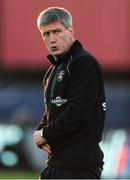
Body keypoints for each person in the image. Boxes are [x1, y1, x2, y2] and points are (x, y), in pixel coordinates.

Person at [33, 7, 106, 179]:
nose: (52, 39)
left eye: (57, 31)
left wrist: (45, 134)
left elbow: (78, 112)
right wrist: (41, 130)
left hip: (79, 168)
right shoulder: (51, 72)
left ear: (70, 31)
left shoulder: (84, 63)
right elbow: (51, 111)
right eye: (46, 34)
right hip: (55, 165)